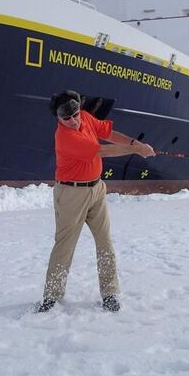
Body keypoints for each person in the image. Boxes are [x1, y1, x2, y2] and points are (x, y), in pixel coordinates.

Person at [37, 90, 156, 313]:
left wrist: (134, 142)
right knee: (65, 245)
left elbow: (109, 133)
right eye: (67, 118)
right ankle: (51, 297)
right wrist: (137, 150)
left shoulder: (86, 117)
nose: (73, 121)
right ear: (58, 118)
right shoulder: (65, 137)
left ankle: (110, 293)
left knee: (105, 243)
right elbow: (102, 150)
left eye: (75, 115)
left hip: (96, 189)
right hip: (71, 194)